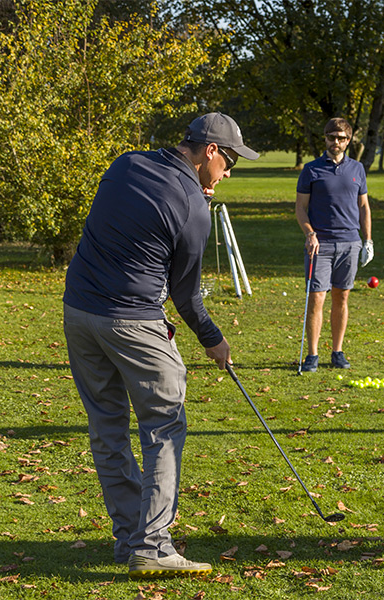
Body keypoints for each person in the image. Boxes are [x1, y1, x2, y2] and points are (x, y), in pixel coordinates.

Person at [63, 113, 260, 578]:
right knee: (163, 426)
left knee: (108, 428)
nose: (229, 172)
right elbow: (186, 295)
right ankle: (151, 546)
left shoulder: (127, 162)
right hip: (133, 323)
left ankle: (130, 539)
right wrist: (213, 339)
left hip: (79, 313)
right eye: (229, 161)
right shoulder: (193, 208)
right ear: (209, 151)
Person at [295, 118, 373, 372]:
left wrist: (367, 240)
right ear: (325, 138)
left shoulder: (357, 169)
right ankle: (312, 355)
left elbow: (363, 207)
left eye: (341, 138)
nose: (335, 142)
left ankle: (337, 352)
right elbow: (300, 208)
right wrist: (309, 233)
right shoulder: (311, 169)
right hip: (320, 245)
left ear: (348, 140)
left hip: (350, 243)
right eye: (331, 137)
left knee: (342, 297)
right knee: (317, 298)